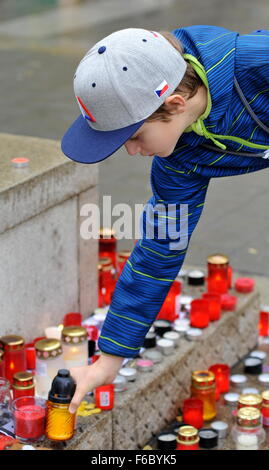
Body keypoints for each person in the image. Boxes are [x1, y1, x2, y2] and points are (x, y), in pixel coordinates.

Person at [61, 26, 269, 414]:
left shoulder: (259, 61)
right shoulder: (179, 159)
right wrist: (108, 359)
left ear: (173, 104)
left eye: (134, 136)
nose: (129, 150)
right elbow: (159, 249)